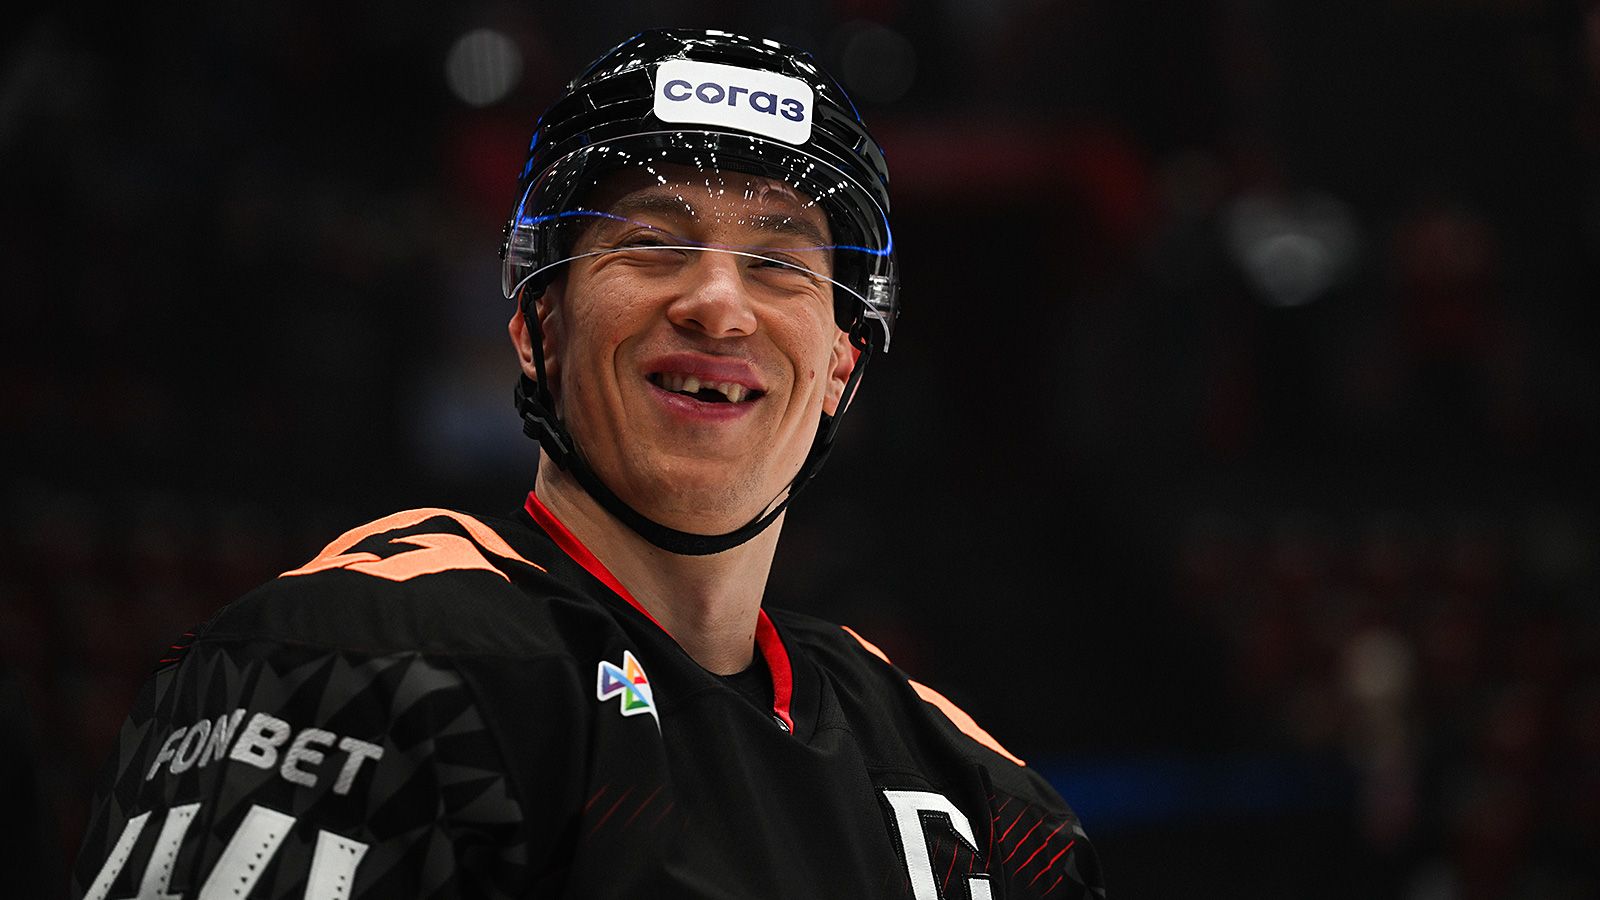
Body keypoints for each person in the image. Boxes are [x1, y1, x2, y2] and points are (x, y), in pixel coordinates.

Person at [72, 28, 1104, 899]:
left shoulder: (976, 797)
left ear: (841, 364)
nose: (718, 304)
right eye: (654, 243)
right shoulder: (361, 658)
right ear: (538, 325)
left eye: (777, 262)